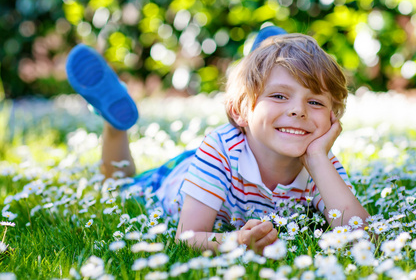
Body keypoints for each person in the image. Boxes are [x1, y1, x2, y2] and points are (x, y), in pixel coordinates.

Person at [66, 26, 369, 254]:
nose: (298, 111)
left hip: (231, 158)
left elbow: (364, 237)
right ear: (240, 112)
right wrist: (235, 240)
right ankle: (115, 125)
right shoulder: (220, 150)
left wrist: (317, 158)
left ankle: (265, 61)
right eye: (279, 96)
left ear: (333, 117)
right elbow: (187, 236)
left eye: (315, 102)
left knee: (271, 74)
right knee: (119, 188)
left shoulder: (320, 163)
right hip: (180, 180)